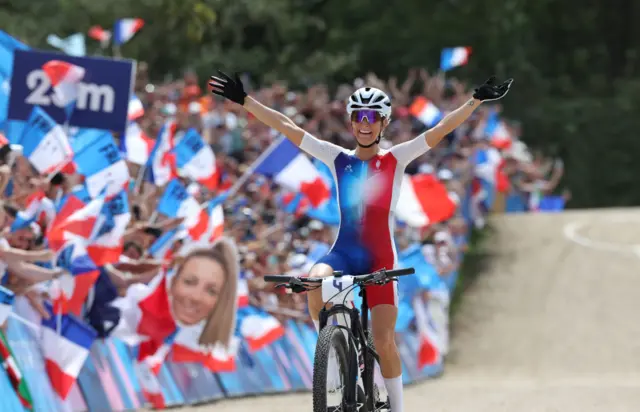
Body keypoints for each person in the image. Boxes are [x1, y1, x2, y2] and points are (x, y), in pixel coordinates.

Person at [210, 71, 513, 412]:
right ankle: (334, 351)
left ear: (383, 123)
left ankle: (396, 408)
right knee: (313, 281)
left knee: (384, 341)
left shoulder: (396, 159)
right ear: (352, 122)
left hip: (381, 257)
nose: (364, 124)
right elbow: (287, 127)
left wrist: (475, 100)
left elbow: (440, 129)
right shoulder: (337, 158)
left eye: (371, 118)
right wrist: (246, 101)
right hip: (344, 252)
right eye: (358, 117)